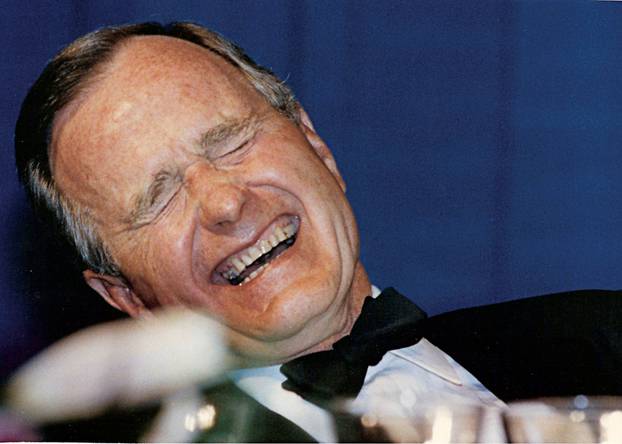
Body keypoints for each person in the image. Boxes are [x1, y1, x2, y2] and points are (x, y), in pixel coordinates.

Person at [14, 22, 503, 442]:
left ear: (316, 146)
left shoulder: (576, 336)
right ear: (126, 297)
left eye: (232, 142)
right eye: (158, 199)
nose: (225, 204)